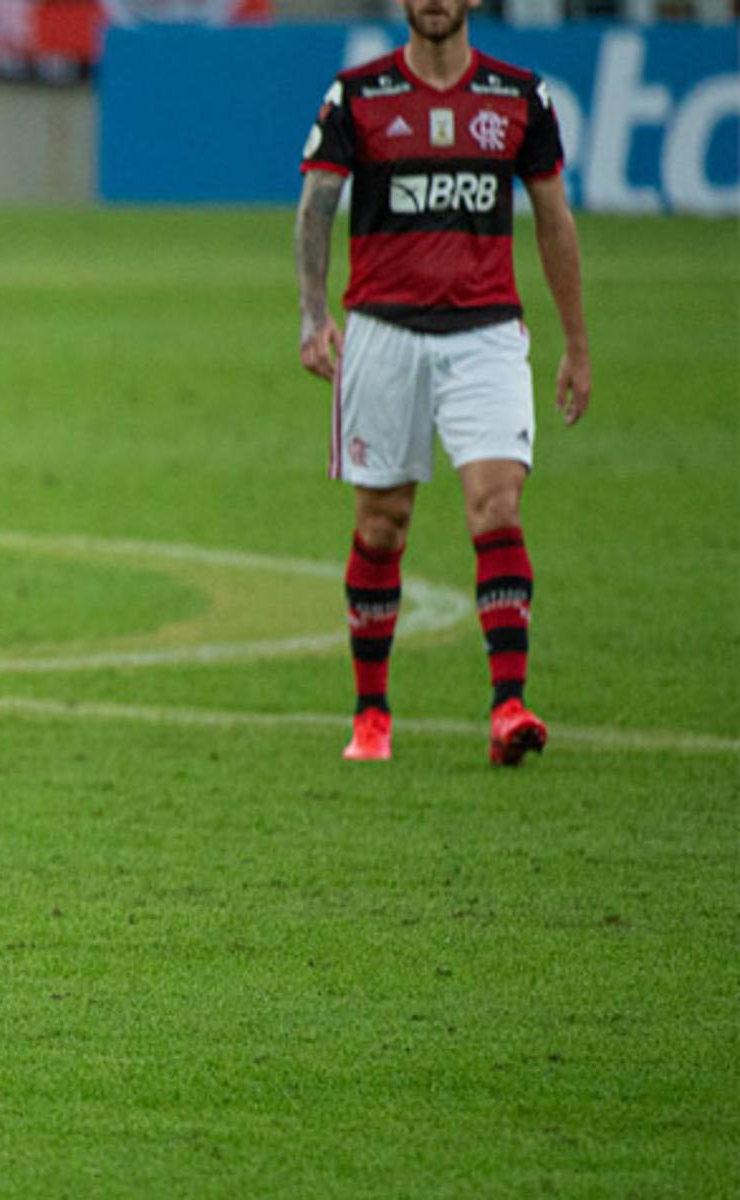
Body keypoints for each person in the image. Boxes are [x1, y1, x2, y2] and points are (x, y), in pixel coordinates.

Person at [294, 0, 590, 765]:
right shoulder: (356, 97)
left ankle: (509, 706)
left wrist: (576, 343)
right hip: (383, 335)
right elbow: (317, 205)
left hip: (486, 335)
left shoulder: (519, 97)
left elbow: (555, 217)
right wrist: (312, 312)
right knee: (382, 523)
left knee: (497, 503)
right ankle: (371, 714)